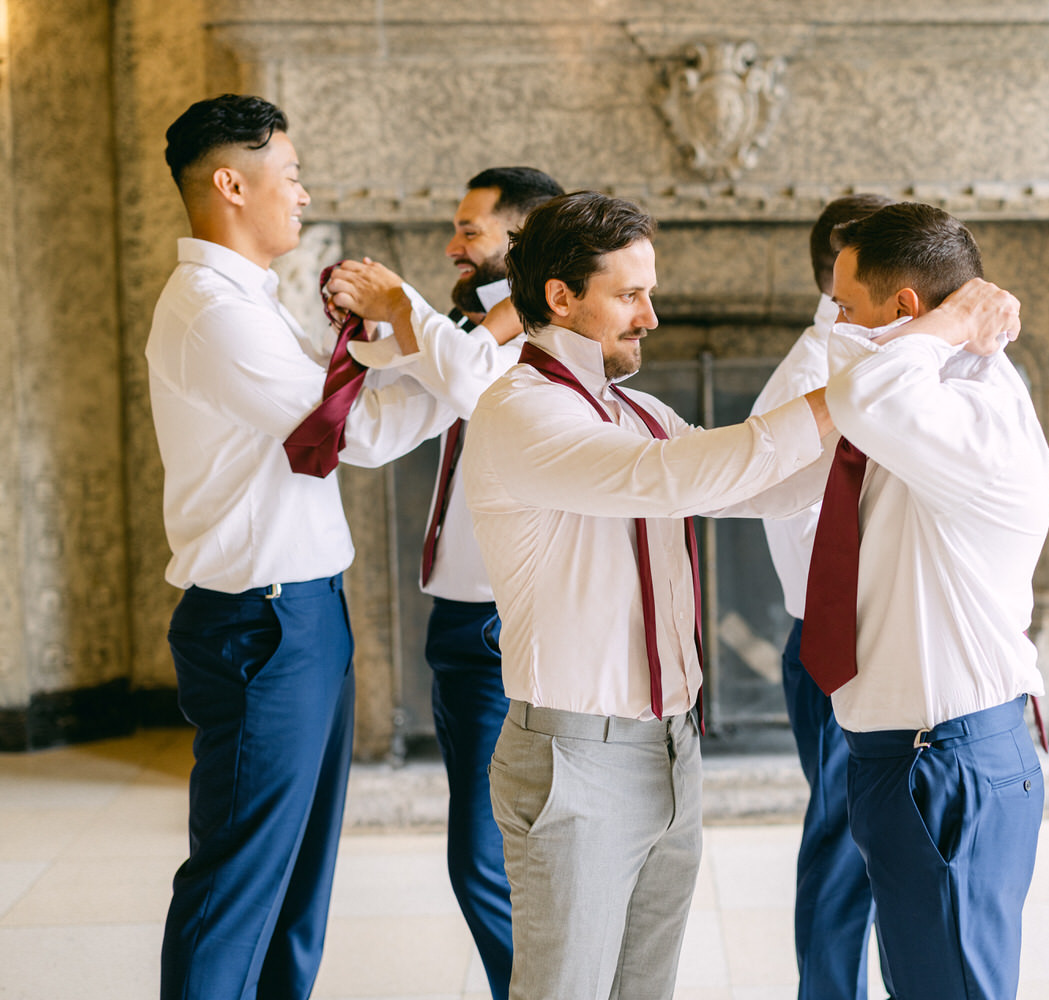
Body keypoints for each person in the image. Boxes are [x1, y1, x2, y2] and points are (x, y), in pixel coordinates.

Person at [462, 191, 839, 1000]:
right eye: (629, 294)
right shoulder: (519, 410)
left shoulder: (635, 409)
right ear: (561, 297)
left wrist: (883, 419)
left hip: (672, 746)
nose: (651, 316)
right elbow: (670, 480)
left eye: (650, 292)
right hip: (576, 758)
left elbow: (759, 487)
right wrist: (843, 397)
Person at [147, 94, 456, 1000]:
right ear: (231, 183)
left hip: (307, 612)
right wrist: (476, 351)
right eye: (289, 175)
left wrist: (440, 350)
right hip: (260, 625)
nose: (305, 193)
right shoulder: (212, 311)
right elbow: (346, 437)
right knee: (239, 881)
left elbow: (351, 406)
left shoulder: (255, 300)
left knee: (297, 886)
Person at [321, 166, 564, 998]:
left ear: (521, 242)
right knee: (486, 856)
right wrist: (376, 341)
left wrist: (405, 314)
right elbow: (381, 424)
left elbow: (466, 377)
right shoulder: (470, 327)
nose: (453, 245)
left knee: (488, 860)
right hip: (460, 619)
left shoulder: (544, 327)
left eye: (471, 230)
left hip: (502, 619)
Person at [806, 201, 1049, 1000]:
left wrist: (945, 328)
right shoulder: (927, 390)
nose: (835, 323)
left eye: (846, 306)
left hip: (943, 759)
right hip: (904, 751)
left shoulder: (972, 410)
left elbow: (864, 393)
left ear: (908, 307)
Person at [748, 192, 894, 1000]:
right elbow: (810, 536)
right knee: (844, 846)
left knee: (867, 843)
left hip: (871, 646)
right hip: (840, 649)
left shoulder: (873, 361)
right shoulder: (811, 378)